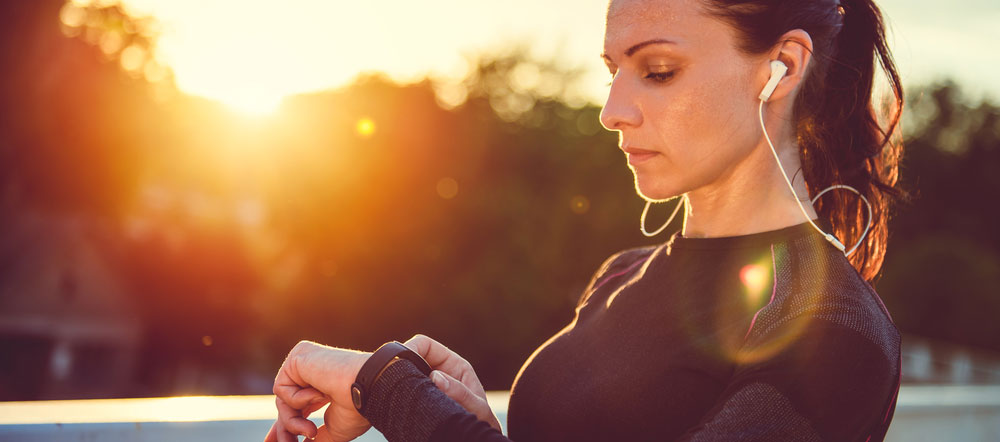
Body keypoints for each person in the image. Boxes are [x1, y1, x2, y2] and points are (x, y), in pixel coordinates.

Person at [264, 0, 907, 440]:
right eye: (613, 71)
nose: (612, 110)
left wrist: (386, 386)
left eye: (658, 71)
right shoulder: (622, 273)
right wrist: (468, 424)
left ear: (782, 68)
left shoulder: (831, 331)